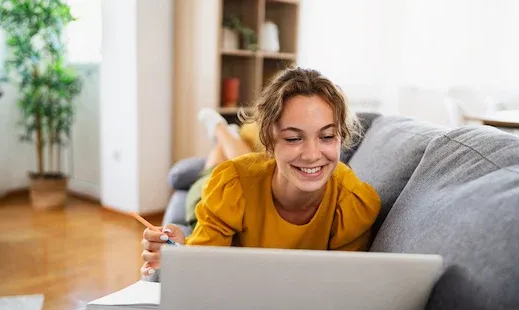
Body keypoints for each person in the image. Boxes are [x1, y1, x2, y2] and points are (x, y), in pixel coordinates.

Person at [140, 67, 382, 276]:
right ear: (268, 140)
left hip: (253, 171)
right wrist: (180, 251)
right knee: (213, 169)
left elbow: (342, 286)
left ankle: (223, 133)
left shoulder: (352, 202)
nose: (311, 155)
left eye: (327, 136)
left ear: (340, 138)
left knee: (238, 162)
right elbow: (202, 267)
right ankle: (221, 132)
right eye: (293, 138)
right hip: (206, 190)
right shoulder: (230, 185)